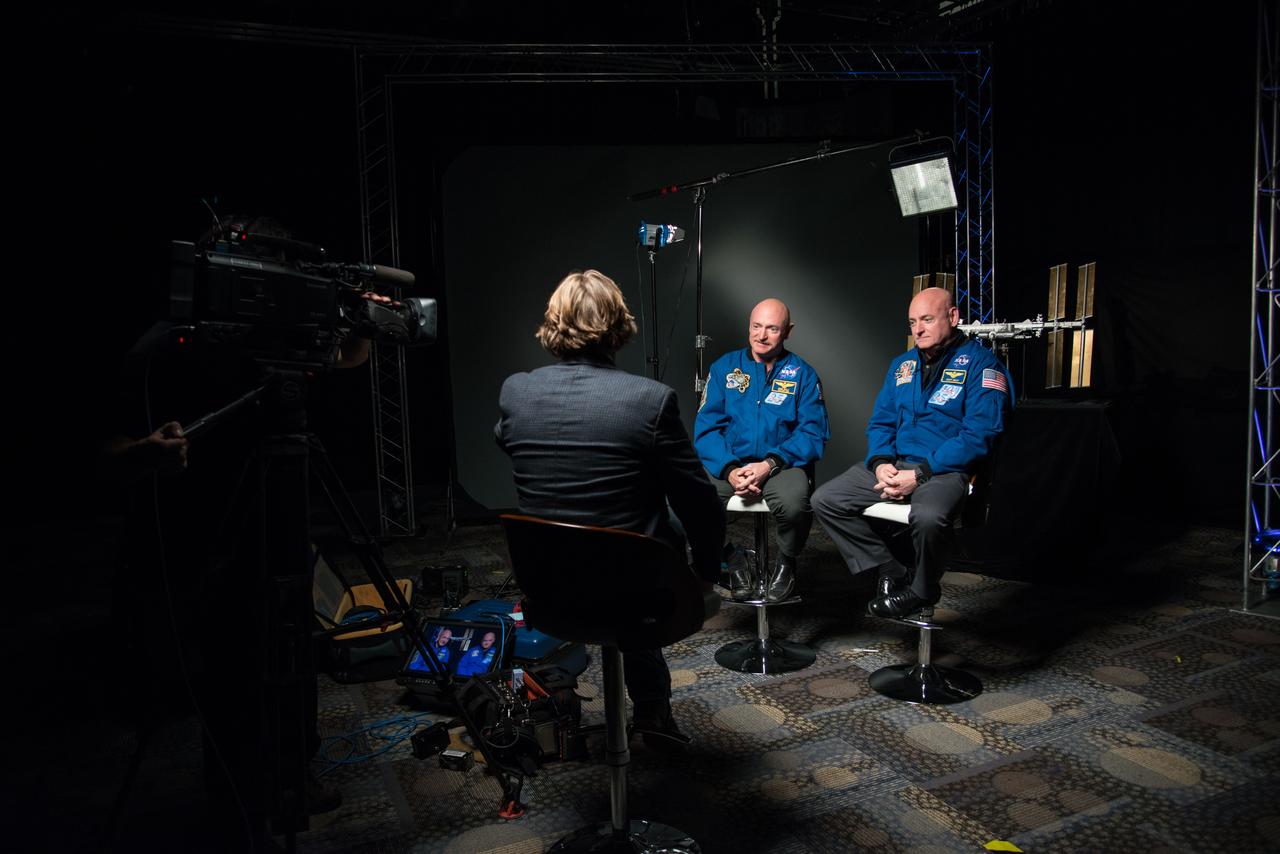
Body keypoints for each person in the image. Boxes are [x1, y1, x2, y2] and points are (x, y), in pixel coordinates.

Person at [495, 269, 723, 749]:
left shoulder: (516, 392)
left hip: (549, 590)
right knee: (651, 537)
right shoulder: (649, 400)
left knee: (628, 536)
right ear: (618, 325)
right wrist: (705, 572)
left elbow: (508, 440)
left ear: (553, 323)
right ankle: (654, 713)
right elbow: (699, 500)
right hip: (632, 597)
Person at [812, 287, 1012, 619]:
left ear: (953, 317)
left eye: (927, 319)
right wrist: (879, 464)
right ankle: (892, 570)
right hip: (895, 464)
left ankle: (922, 590)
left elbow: (980, 435)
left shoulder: (982, 366)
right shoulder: (902, 366)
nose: (918, 329)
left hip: (943, 470)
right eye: (912, 322)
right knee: (826, 500)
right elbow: (881, 422)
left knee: (930, 518)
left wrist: (920, 475)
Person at [693, 298, 829, 602]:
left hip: (783, 464)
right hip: (732, 463)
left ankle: (787, 561)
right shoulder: (724, 368)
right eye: (756, 326)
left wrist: (769, 464)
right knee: (688, 500)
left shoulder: (803, 374)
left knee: (795, 505)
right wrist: (729, 470)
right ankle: (731, 556)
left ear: (788, 331)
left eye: (772, 328)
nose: (761, 335)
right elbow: (706, 430)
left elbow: (813, 432)